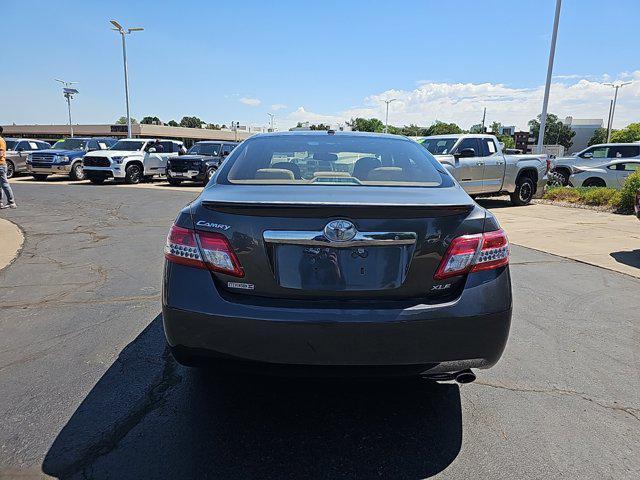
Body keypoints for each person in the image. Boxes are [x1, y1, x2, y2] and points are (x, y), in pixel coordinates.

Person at [0, 126, 17, 209]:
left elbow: (1, 154)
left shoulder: (0, 140)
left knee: (4, 184)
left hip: (0, 165)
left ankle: (11, 202)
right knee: (1, 185)